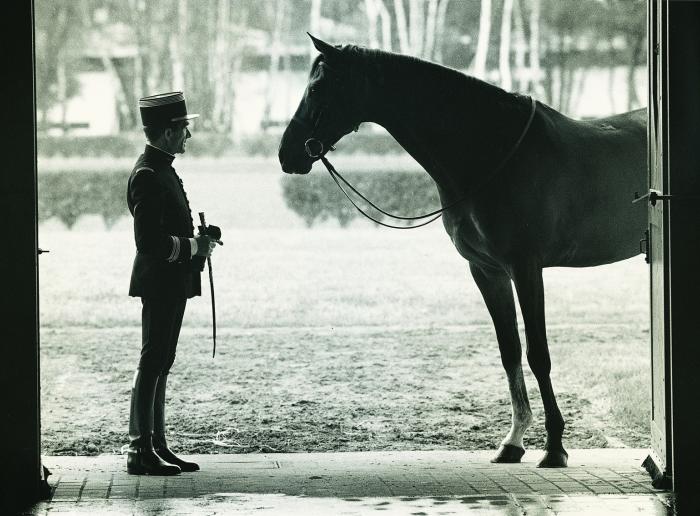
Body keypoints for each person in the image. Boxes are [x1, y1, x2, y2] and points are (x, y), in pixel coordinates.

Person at [126, 92, 218, 475]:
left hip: (171, 280)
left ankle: (156, 444)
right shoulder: (148, 174)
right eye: (183, 128)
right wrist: (193, 246)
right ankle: (138, 449)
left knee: (163, 360)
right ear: (165, 133)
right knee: (152, 360)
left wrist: (199, 242)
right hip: (160, 281)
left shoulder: (160, 167)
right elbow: (148, 243)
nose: (188, 136)